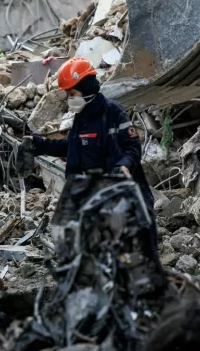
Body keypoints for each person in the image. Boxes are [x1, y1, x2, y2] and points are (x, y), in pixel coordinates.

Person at [21, 57, 160, 255]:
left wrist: (124, 165)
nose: (70, 99)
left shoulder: (113, 113)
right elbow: (72, 147)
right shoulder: (81, 117)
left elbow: (132, 147)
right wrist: (40, 145)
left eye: (72, 93)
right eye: (68, 95)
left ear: (86, 88)